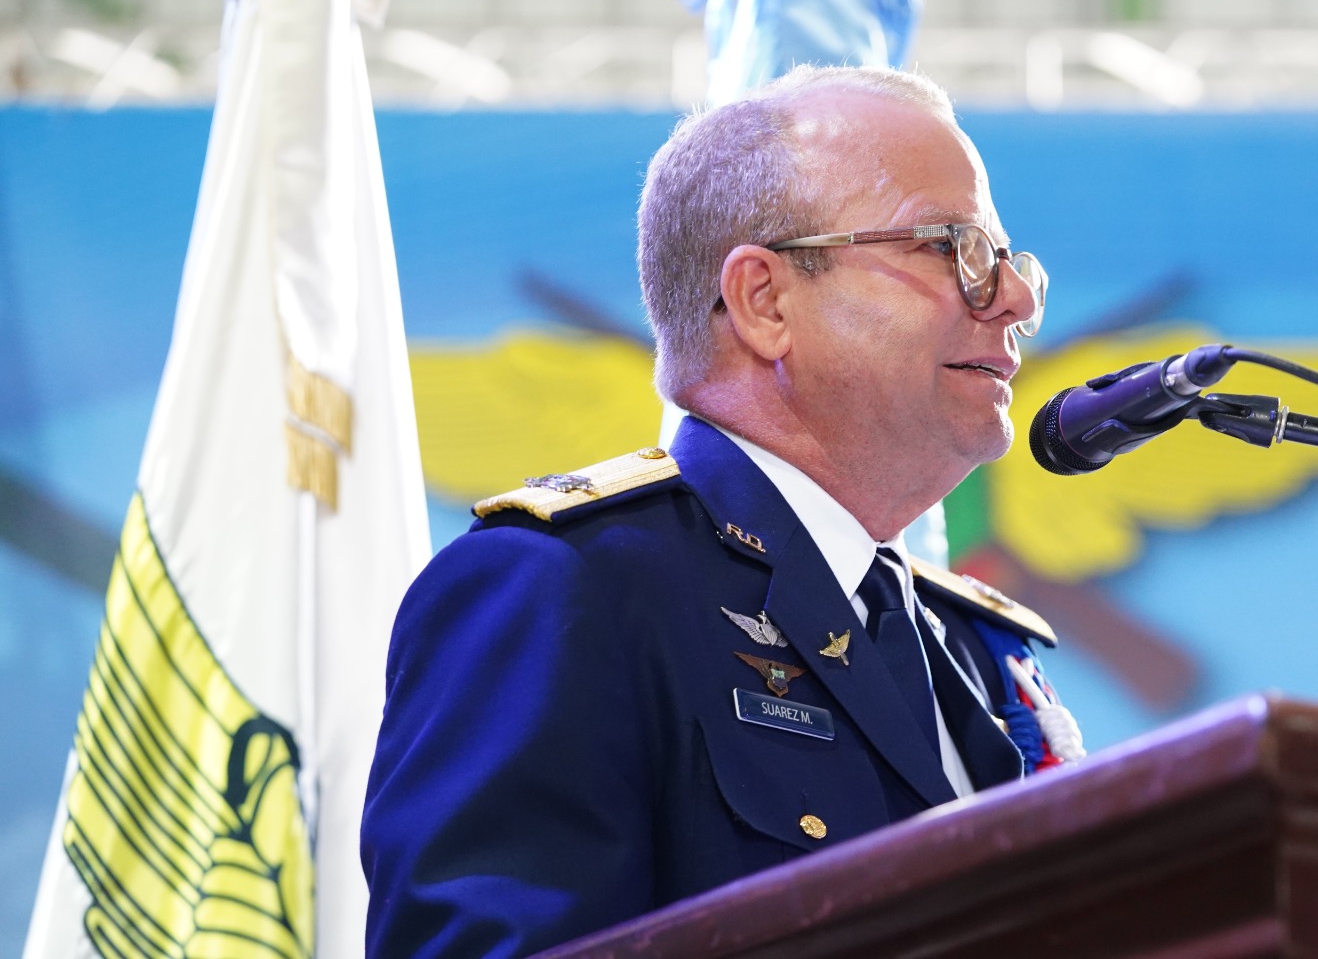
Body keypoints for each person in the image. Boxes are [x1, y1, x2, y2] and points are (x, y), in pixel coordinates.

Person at [361, 65, 1082, 958]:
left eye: (1009, 264)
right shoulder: (564, 586)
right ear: (765, 301)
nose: (1011, 299)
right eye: (953, 249)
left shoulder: (976, 649)